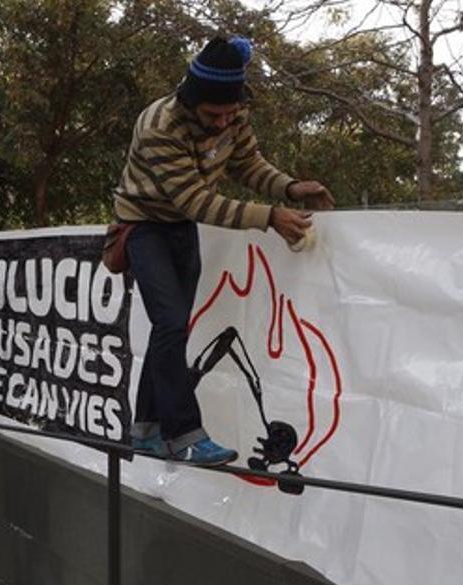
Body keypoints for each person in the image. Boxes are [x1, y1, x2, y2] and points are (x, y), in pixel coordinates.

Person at [114, 35, 334, 466]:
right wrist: (270, 216)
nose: (222, 123)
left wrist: (289, 187)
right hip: (143, 225)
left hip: (180, 228)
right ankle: (185, 434)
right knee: (172, 323)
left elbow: (248, 165)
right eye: (214, 114)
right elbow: (195, 201)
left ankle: (144, 431)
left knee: (170, 330)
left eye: (231, 113)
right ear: (190, 101)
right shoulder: (160, 125)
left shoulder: (233, 117)